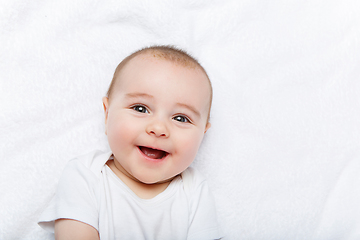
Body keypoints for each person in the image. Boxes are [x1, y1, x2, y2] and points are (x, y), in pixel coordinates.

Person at [38, 45, 223, 240]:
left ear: (203, 133)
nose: (159, 129)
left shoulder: (194, 191)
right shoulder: (85, 175)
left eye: (181, 119)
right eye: (140, 108)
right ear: (107, 114)